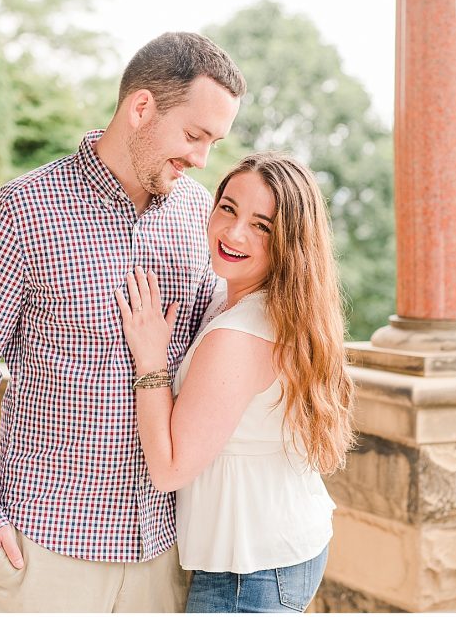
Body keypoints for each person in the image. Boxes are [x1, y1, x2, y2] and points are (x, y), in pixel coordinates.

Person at [0, 32, 245, 613]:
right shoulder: (23, 210)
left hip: (165, 549)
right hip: (47, 551)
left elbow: (220, 345)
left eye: (213, 142)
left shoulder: (198, 214)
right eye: (194, 135)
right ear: (142, 108)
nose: (203, 159)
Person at [115, 151, 356, 613]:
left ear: (290, 243)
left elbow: (169, 470)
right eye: (228, 208)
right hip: (280, 550)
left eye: (262, 226)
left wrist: (150, 359)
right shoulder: (266, 303)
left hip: (249, 575)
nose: (234, 232)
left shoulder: (238, 336)